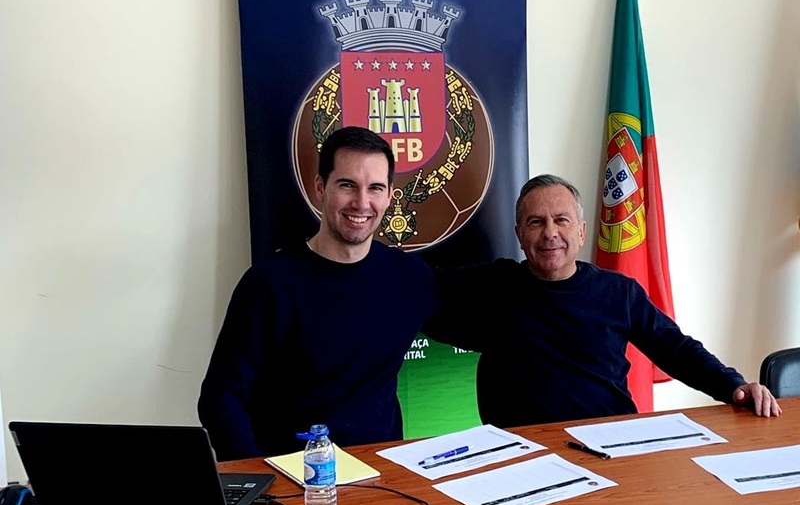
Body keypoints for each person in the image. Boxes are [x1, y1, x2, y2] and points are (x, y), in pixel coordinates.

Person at [426, 174, 781, 428]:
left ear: (580, 231)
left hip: (610, 442)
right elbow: (414, 289)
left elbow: (676, 349)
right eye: (536, 222)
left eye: (561, 220)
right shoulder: (494, 285)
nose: (550, 233)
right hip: (522, 451)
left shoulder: (618, 293)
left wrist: (733, 385)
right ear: (520, 236)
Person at [198, 126, 437, 459]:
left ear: (389, 196)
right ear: (320, 188)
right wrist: (258, 479)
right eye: (347, 185)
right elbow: (220, 396)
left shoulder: (411, 278)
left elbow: (489, 318)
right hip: (293, 479)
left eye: (375, 188)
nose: (362, 202)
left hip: (383, 475)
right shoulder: (268, 284)